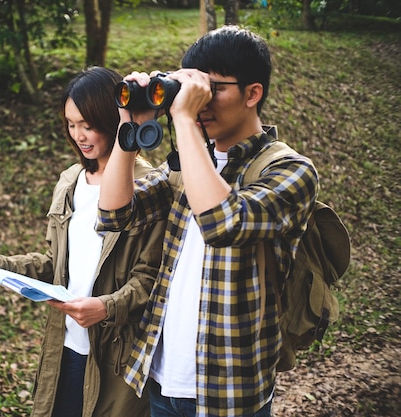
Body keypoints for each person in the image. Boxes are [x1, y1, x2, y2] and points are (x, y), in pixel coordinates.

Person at [96, 26, 319, 417]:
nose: (201, 103)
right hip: (162, 377)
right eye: (194, 89)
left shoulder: (291, 170)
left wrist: (183, 118)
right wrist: (128, 129)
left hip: (230, 392)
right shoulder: (186, 165)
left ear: (253, 93)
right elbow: (115, 213)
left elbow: (223, 224)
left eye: (213, 89)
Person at [0, 66, 165, 417]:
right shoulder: (71, 180)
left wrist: (105, 307)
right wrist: (1, 266)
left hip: (117, 356)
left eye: (88, 124)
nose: (79, 134)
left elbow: (150, 281)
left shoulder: (151, 185)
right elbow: (56, 264)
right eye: (71, 124)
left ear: (114, 117)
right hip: (65, 346)